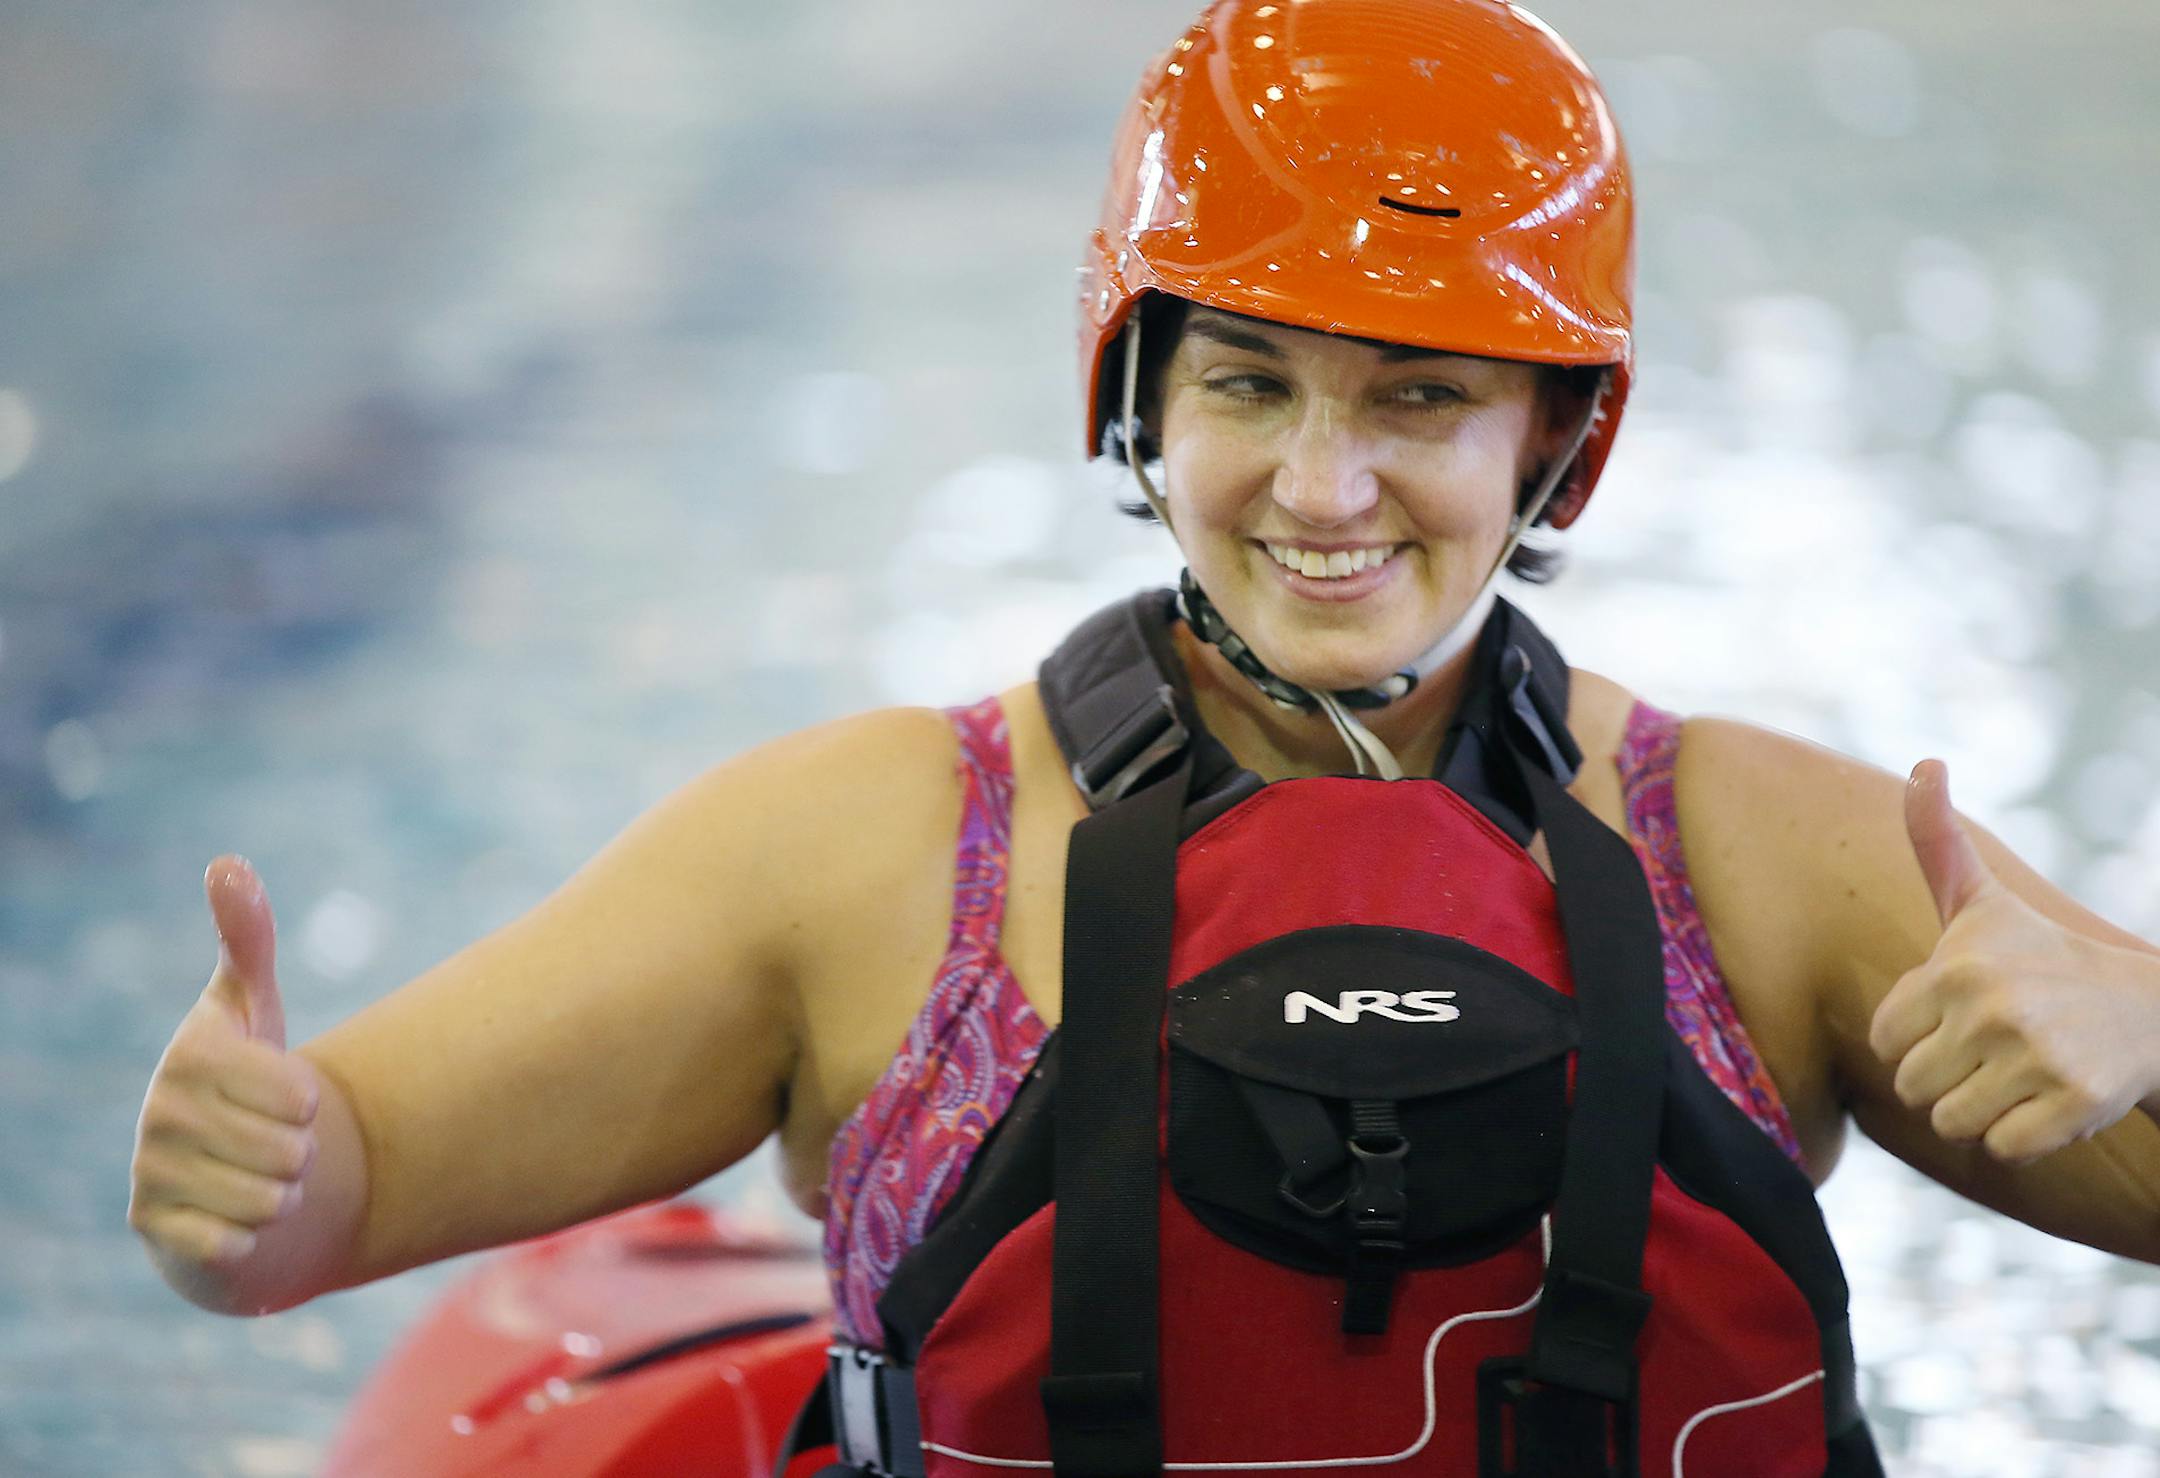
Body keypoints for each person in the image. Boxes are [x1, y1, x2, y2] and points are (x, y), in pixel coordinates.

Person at [131, 0, 2160, 1471]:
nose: (1322, 484)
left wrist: (2146, 1027)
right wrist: (262, 1176)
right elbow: (341, 1189)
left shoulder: (1760, 857)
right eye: (1251, 383)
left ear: (1554, 429)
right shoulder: (864, 854)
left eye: (1418, 397)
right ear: (1139, 393)